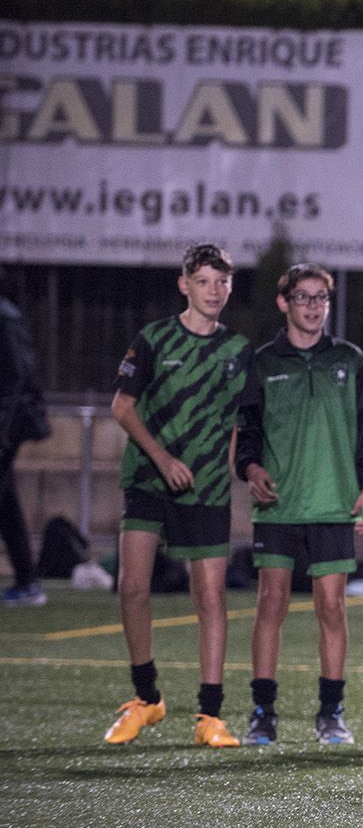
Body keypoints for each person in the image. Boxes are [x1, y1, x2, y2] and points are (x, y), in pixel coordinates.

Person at [103, 243, 253, 747]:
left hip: (208, 485)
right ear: (184, 284)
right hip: (148, 479)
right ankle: (147, 699)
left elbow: (245, 421)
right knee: (132, 587)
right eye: (204, 281)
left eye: (222, 282)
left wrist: (244, 466)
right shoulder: (153, 339)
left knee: (210, 597)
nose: (214, 291)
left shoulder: (237, 351)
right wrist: (162, 458)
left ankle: (210, 715)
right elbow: (122, 406)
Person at [236, 263, 363, 746]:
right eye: (304, 297)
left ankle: (331, 712)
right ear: (284, 303)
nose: (314, 306)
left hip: (333, 502)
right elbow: (248, 431)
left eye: (321, 298)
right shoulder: (262, 361)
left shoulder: (350, 359)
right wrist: (251, 469)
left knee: (333, 608)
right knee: (270, 604)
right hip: (279, 505)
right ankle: (262, 711)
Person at [0, 268, 50, 607]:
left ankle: (28, 582)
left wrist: (2, 428)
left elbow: (17, 376)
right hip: (8, 423)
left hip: (8, 424)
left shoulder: (5, 317)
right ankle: (28, 582)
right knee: (6, 504)